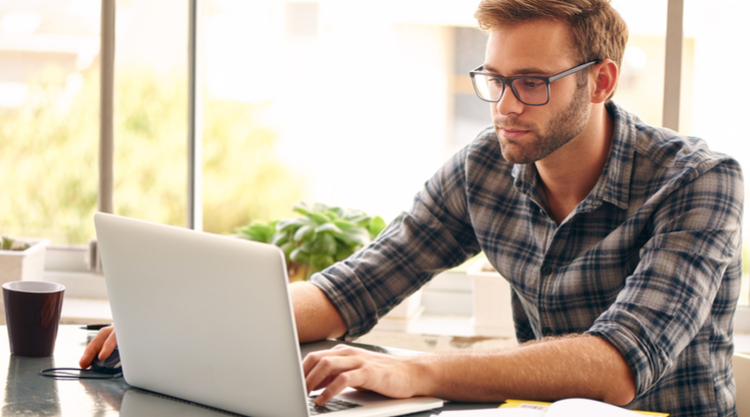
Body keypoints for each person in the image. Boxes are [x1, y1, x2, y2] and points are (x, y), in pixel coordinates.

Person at [81, 0, 744, 415]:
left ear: (601, 80)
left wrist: (413, 368)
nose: (506, 105)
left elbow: (617, 366)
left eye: (533, 83)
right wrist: (182, 322)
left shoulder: (698, 182)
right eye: (494, 79)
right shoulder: (483, 169)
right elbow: (354, 287)